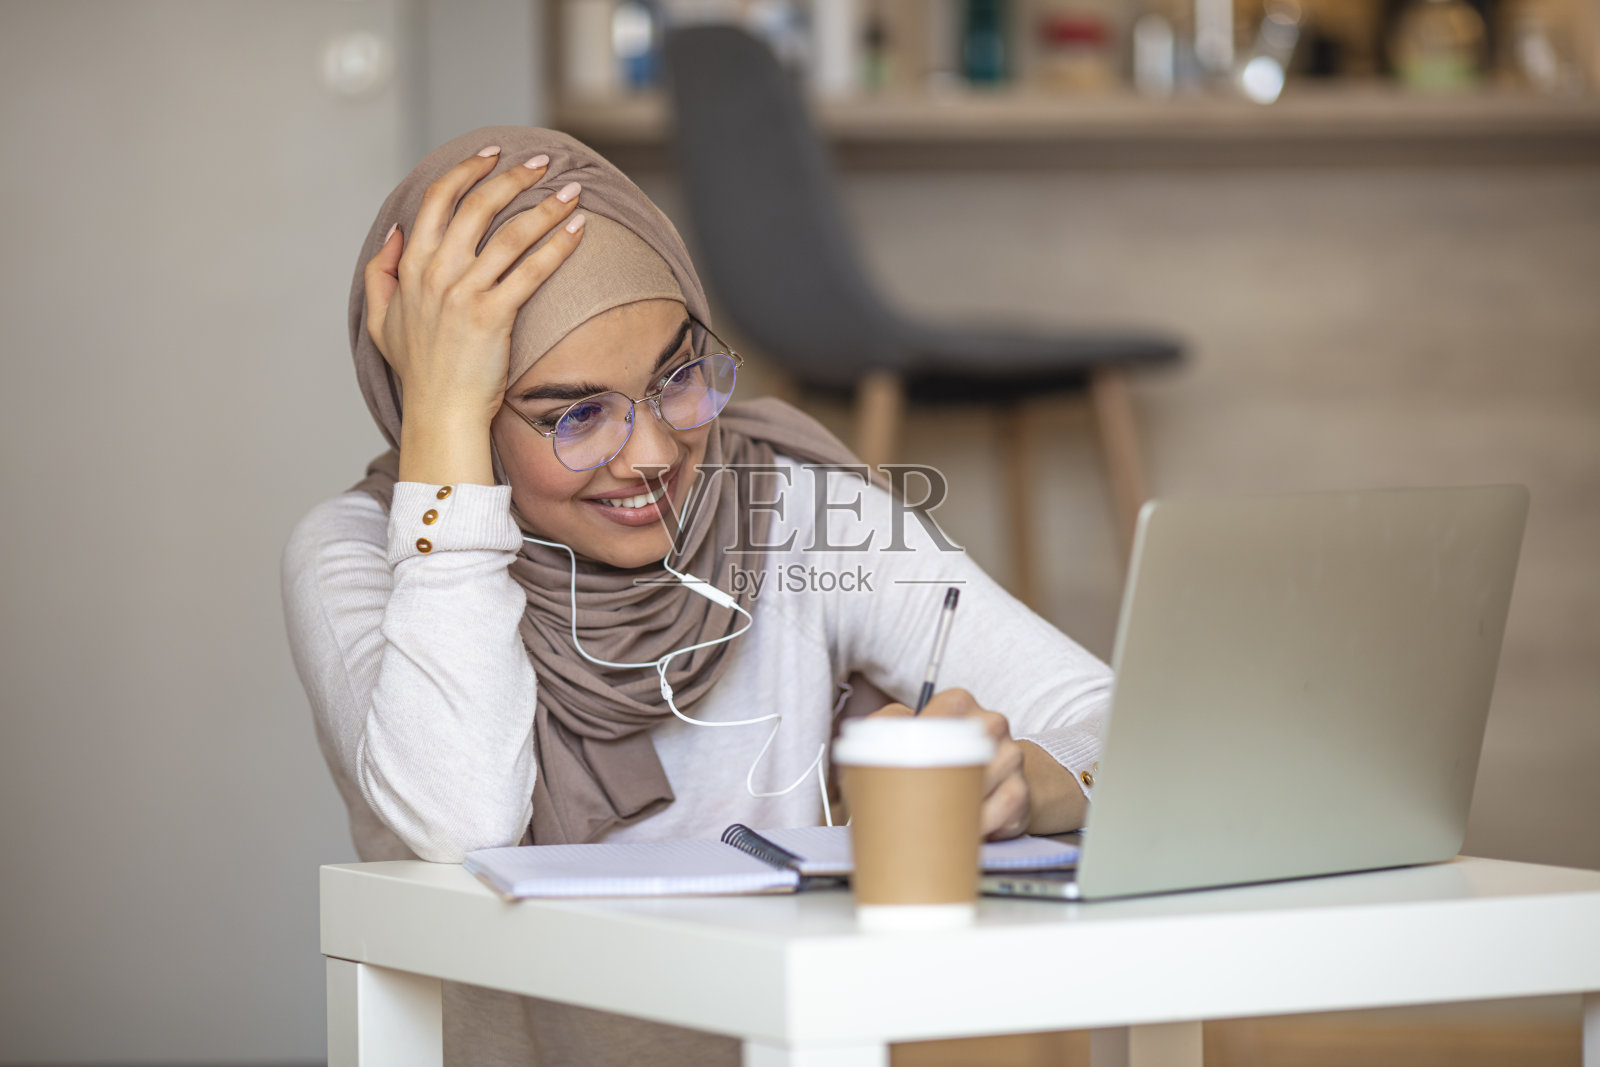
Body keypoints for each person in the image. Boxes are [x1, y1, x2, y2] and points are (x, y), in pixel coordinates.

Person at [282, 126, 1112, 1067]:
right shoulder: (361, 557)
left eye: (679, 377)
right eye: (574, 414)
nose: (653, 454)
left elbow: (1116, 720)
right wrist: (440, 429)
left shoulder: (789, 512)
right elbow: (460, 815)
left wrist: (1027, 784)